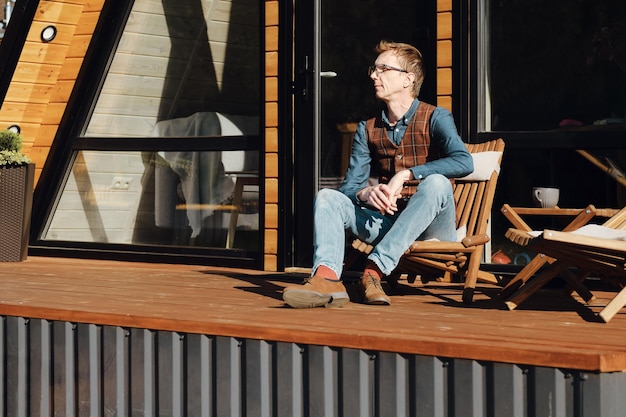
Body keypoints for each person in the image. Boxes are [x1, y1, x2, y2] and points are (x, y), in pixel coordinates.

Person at [282, 40, 474, 308]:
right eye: (375, 69)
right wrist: (366, 192)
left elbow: (464, 161)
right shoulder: (367, 128)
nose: (374, 75)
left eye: (383, 69)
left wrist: (407, 174)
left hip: (431, 230)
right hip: (389, 225)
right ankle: (327, 278)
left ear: (407, 79)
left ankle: (373, 272)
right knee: (327, 197)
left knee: (437, 183)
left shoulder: (436, 117)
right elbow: (349, 188)